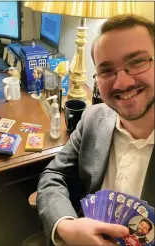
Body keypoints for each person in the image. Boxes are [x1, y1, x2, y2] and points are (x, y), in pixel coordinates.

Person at [31, 14, 154, 246]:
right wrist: (66, 226)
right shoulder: (92, 118)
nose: (123, 83)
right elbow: (53, 176)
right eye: (107, 71)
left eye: (137, 62)